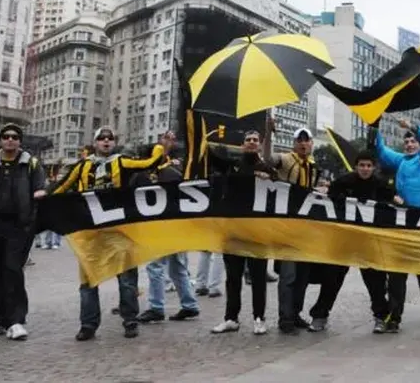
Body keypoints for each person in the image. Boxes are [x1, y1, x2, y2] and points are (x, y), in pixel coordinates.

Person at [53, 126, 165, 341]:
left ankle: (130, 321)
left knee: (127, 280)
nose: (106, 141)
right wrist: (44, 197)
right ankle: (88, 325)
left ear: (114, 142)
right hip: (91, 233)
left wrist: (160, 147)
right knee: (88, 282)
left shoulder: (122, 162)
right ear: (95, 142)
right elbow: (62, 185)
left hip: (120, 232)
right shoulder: (83, 166)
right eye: (101, 138)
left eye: (110, 138)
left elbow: (149, 163)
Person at [307, 151, 395, 334]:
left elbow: (391, 207)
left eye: (368, 166)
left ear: (374, 168)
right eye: (361, 165)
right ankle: (320, 316)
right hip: (344, 239)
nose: (365, 169)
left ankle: (381, 317)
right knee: (332, 279)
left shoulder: (381, 185)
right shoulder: (342, 182)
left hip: (369, 241)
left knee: (376, 282)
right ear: (356, 167)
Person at [375, 118, 420, 332]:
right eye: (406, 142)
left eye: (413, 141)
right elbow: (381, 151)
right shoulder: (401, 162)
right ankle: (394, 318)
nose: (409, 144)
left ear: (419, 144)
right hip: (404, 223)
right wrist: (373, 125)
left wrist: (414, 128)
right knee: (397, 274)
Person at [209, 129, 278, 335]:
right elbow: (211, 157)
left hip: (258, 233)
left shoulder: (266, 167)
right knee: (233, 277)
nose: (251, 142)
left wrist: (269, 177)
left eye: (255, 140)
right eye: (248, 140)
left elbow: (279, 188)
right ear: (242, 144)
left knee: (258, 278)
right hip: (234, 231)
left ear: (259, 144)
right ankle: (231, 318)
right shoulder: (232, 164)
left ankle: (259, 318)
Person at [134, 131, 200, 324]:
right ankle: (189, 305)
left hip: (167, 226)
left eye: (170, 138)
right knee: (176, 268)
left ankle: (156, 308)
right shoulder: (148, 170)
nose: (166, 141)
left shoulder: (174, 170)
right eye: (164, 137)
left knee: (158, 267)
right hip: (166, 226)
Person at [264, 126, 320, 335]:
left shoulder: (313, 165)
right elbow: (269, 159)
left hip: (306, 228)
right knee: (288, 275)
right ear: (294, 143)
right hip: (287, 227)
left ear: (311, 144)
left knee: (303, 276)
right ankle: (285, 318)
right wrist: (268, 134)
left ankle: (295, 314)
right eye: (300, 140)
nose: (304, 144)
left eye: (307, 141)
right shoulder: (286, 159)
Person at [0, 123, 47, 340]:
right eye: (6, 136)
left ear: (20, 141)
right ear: (0, 140)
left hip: (19, 227)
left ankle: (16, 321)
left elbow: (41, 186)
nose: (10, 140)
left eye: (14, 137)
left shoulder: (31, 163)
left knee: (12, 270)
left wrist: (41, 193)